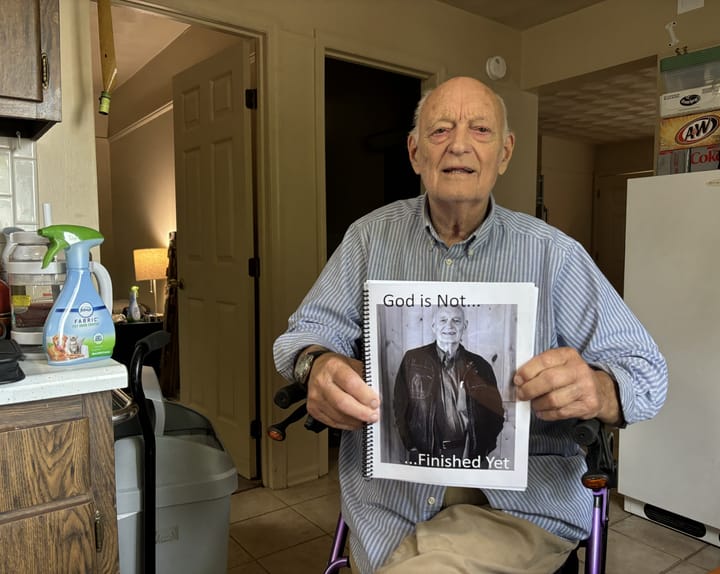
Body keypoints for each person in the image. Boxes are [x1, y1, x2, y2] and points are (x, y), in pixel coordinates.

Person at [273, 76, 667, 573]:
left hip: (522, 504)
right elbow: (303, 333)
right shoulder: (368, 239)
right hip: (391, 500)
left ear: (504, 153)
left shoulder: (554, 255)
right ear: (415, 153)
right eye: (440, 131)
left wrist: (600, 388)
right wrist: (318, 364)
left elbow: (648, 373)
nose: (459, 144)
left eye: (480, 129)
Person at [393, 304, 504, 465]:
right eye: (443, 320)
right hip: (426, 455)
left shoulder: (481, 366)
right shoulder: (413, 360)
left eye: (456, 321)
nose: (449, 326)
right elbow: (399, 405)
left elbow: (496, 414)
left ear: (464, 326)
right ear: (433, 326)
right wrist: (412, 446)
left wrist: (483, 448)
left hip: (469, 455)